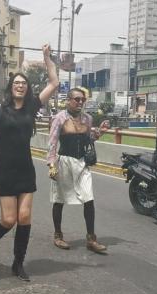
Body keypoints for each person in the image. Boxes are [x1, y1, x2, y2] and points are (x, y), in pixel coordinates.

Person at [0, 45, 58, 282]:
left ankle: (18, 263)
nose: (20, 86)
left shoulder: (32, 106)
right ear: (11, 86)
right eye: (16, 83)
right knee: (8, 219)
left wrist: (46, 58)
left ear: (27, 88)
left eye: (23, 83)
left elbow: (54, 83)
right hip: (5, 169)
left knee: (24, 218)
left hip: (25, 170)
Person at [47, 87, 110, 253]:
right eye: (76, 99)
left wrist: (100, 133)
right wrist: (52, 165)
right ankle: (58, 235)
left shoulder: (87, 119)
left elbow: (89, 138)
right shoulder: (59, 118)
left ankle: (91, 238)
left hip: (82, 164)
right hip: (64, 163)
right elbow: (52, 142)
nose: (80, 102)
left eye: (82, 99)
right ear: (68, 100)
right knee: (59, 199)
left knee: (89, 199)